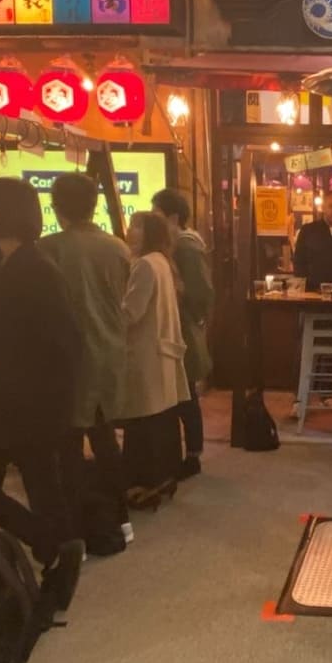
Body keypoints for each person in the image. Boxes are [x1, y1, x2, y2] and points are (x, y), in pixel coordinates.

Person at [0, 178, 84, 610]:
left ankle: (59, 561)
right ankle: (56, 546)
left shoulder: (39, 269)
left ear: (9, 211)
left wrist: (46, 396)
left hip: (31, 402)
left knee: (43, 486)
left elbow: (64, 344)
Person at [39, 173, 131, 531]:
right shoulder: (118, 248)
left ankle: (76, 521)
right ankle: (119, 517)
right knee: (105, 438)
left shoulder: (50, 249)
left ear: (56, 206)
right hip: (110, 350)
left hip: (71, 357)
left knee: (69, 444)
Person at [121, 212, 191, 508]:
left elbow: (131, 312)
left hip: (145, 352)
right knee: (162, 419)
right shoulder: (163, 261)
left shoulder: (145, 265)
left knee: (142, 422)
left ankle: (143, 483)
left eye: (136, 226)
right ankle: (164, 477)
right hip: (162, 349)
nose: (129, 231)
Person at [152, 189, 213, 479]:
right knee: (180, 393)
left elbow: (201, 292)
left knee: (185, 394)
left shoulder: (186, 247)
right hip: (180, 325)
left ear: (173, 217)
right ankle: (185, 454)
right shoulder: (177, 244)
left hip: (183, 327)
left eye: (157, 215)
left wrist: (180, 297)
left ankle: (192, 456)